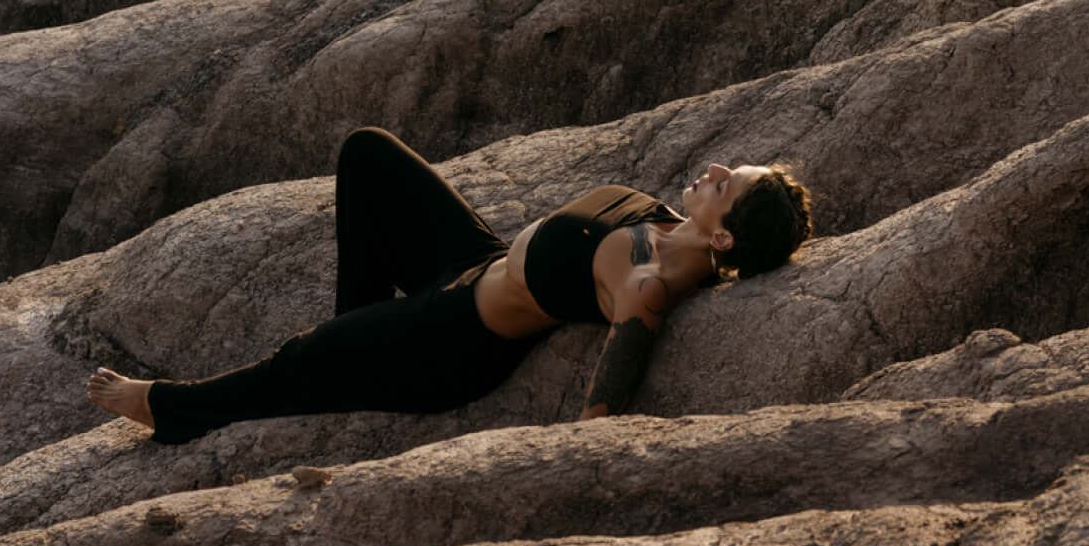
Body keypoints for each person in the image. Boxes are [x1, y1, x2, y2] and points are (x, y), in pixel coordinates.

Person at [86, 126, 814, 445]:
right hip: (475, 260)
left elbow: (600, 423)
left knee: (299, 359)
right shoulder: (658, 222)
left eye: (729, 184)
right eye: (731, 167)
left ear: (722, 238)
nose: (717, 168)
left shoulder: (648, 285)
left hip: (453, 339)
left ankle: (171, 409)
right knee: (367, 153)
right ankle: (357, 340)